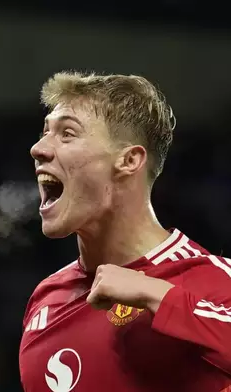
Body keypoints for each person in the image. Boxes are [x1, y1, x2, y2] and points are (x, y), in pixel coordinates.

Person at [19, 71, 231, 392]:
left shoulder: (213, 280)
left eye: (67, 134)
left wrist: (156, 294)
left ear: (129, 160)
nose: (38, 148)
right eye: (45, 132)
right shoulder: (47, 298)